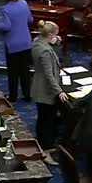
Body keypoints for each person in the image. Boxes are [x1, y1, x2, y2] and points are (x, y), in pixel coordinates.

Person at [0, 0, 34, 102]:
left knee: (13, 72)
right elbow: (30, 19)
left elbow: (7, 26)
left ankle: (13, 96)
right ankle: (27, 95)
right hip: (26, 42)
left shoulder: (6, 9)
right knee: (25, 70)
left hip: (13, 45)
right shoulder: (24, 3)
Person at [31, 20, 67, 165]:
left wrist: (55, 42)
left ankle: (41, 143)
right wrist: (59, 91)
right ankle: (45, 151)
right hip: (46, 91)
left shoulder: (37, 41)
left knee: (43, 118)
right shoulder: (45, 52)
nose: (57, 38)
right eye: (55, 35)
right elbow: (49, 75)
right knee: (47, 121)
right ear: (50, 34)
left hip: (39, 88)